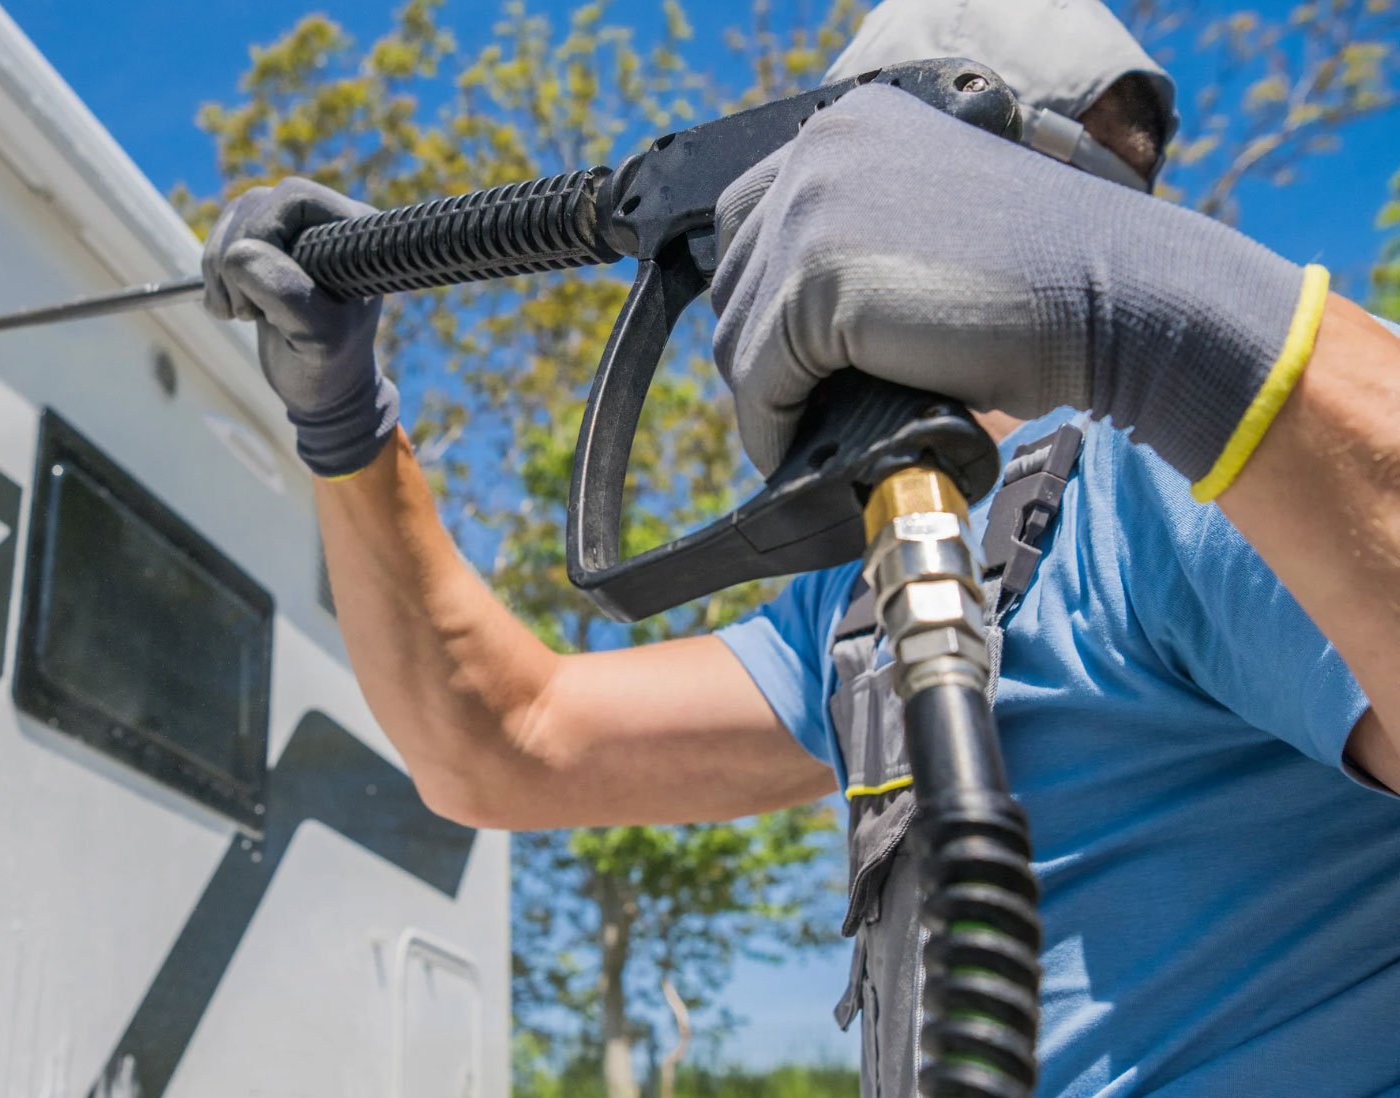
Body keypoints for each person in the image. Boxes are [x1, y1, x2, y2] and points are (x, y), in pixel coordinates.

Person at [200, 0, 1400, 1092]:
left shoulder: (1180, 477)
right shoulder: (878, 588)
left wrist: (1160, 323)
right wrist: (346, 426)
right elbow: (506, 744)